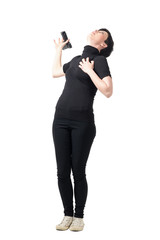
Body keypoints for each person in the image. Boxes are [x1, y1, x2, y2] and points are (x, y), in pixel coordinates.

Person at [52, 28, 114, 231]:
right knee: (62, 172)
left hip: (82, 124)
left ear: (103, 44)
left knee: (78, 171)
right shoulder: (78, 58)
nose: (96, 30)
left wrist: (90, 71)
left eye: (102, 32)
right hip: (60, 120)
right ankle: (67, 214)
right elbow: (55, 73)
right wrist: (59, 50)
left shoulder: (99, 60)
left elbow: (107, 91)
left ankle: (79, 216)